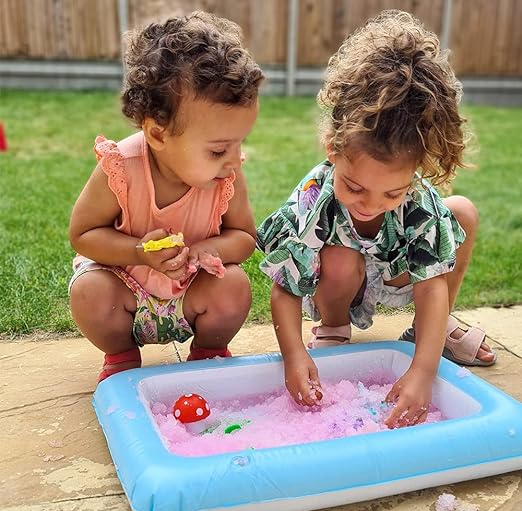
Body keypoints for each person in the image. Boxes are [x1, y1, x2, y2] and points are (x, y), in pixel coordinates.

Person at [256, 10, 496, 428]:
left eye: (392, 192)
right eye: (354, 187)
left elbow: (432, 283)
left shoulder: (418, 199)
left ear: (415, 172)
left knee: (461, 213)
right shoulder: (318, 197)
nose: (369, 204)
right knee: (341, 256)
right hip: (340, 281)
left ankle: (429, 334)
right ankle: (333, 327)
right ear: (332, 148)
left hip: (398, 272)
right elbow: (287, 287)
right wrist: (294, 355)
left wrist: (422, 373)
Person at [69, 11, 264, 383]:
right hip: (126, 292)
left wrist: (209, 249)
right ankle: (122, 356)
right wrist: (137, 252)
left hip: (191, 295)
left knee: (234, 286)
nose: (236, 159)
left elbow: (244, 238)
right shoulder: (121, 168)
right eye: (218, 149)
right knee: (90, 292)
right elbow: (83, 235)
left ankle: (207, 352)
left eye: (241, 143)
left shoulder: (227, 178)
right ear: (158, 135)